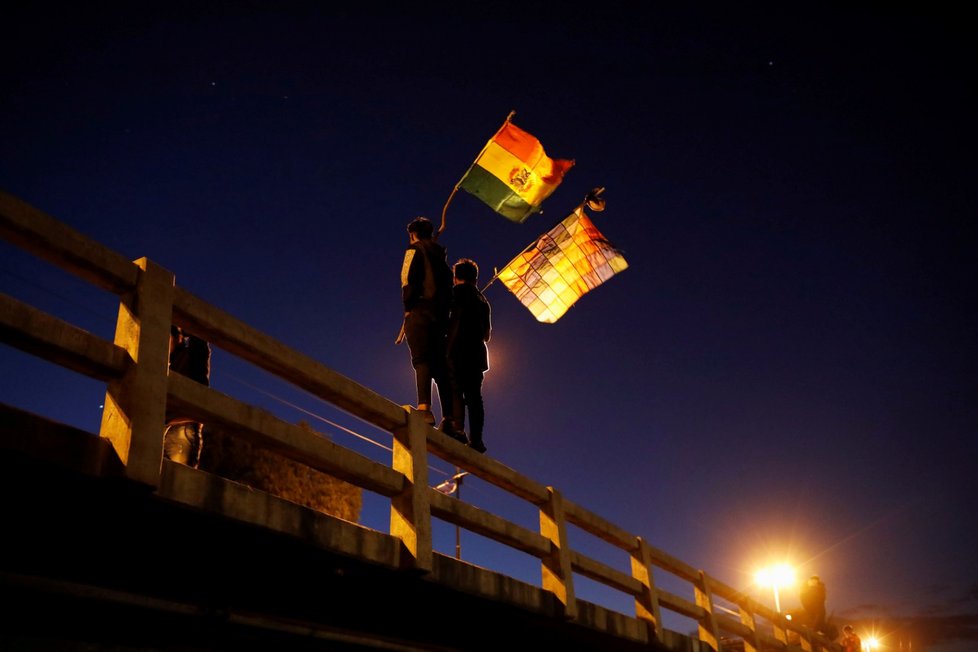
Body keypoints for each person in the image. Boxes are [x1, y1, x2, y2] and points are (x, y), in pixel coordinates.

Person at [400, 217, 465, 442]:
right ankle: (450, 419)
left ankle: (424, 409)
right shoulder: (443, 262)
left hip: (420, 311)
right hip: (440, 317)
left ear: (413, 234)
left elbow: (408, 279)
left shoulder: (413, 250)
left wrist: (408, 308)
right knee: (440, 368)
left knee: (422, 361)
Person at [446, 258, 491, 453]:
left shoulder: (452, 294)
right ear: (475, 279)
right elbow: (487, 335)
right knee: (474, 396)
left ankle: (458, 430)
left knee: (455, 389)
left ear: (455, 278)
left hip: (455, 348)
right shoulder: (483, 301)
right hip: (477, 354)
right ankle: (477, 440)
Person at [164, 324, 211, 467]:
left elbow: (199, 336)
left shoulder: (192, 353)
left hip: (183, 428)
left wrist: (180, 326)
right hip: (167, 429)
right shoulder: (170, 363)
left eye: (169, 337)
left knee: (179, 484)